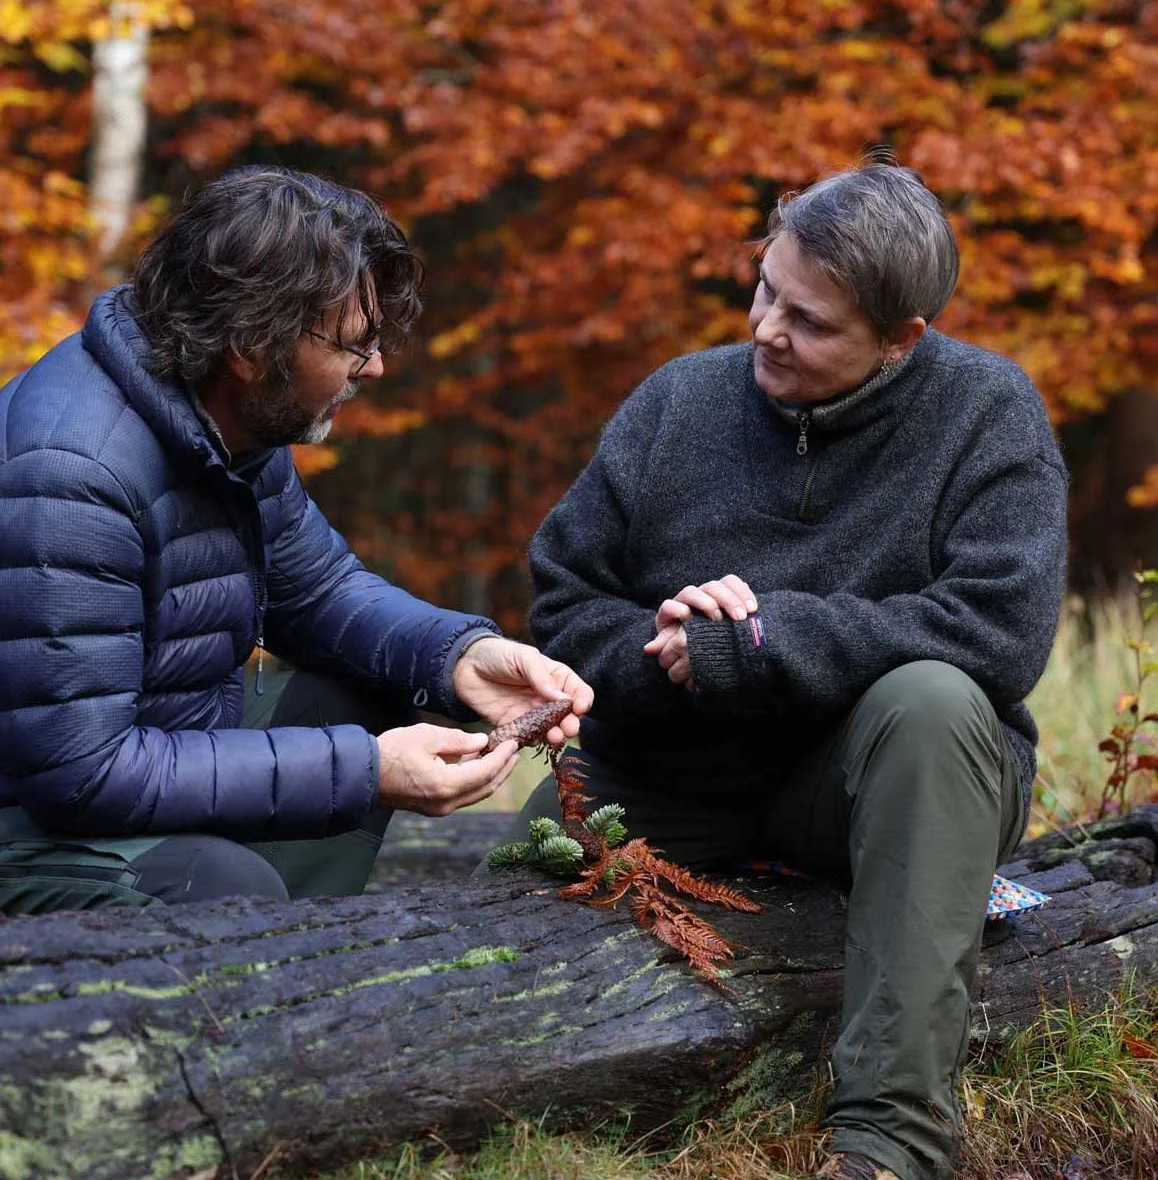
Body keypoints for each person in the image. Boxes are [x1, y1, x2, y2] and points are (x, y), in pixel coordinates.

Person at [512, 161, 1067, 1180]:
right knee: (509, 892)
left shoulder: (987, 412)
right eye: (765, 289)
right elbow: (560, 608)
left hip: (881, 777)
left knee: (937, 700)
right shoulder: (678, 401)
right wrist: (669, 648)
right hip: (671, 770)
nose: (768, 329)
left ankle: (887, 1141)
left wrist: (766, 641)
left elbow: (996, 633)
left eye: (809, 322)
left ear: (902, 338)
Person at [0, 166, 591, 914]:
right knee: (220, 887)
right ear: (254, 344)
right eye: (354, 344)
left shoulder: (222, 413)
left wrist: (459, 656)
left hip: (147, 745)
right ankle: (252, 978)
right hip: (33, 806)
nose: (373, 367)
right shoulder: (70, 473)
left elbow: (318, 592)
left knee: (361, 687)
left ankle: (285, 946)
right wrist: (364, 771)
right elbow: (78, 772)